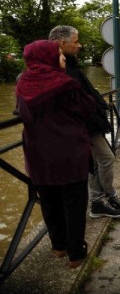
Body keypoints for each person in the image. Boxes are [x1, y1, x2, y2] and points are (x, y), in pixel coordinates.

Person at [16, 40, 96, 268]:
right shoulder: (65, 84)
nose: (63, 58)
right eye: (59, 54)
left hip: (38, 154)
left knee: (49, 201)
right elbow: (87, 107)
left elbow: (21, 112)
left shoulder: (22, 84)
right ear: (46, 57)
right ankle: (76, 254)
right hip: (69, 153)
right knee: (74, 203)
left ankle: (58, 246)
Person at [49, 25, 120, 217]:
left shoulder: (69, 64)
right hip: (84, 125)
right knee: (106, 158)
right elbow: (73, 100)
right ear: (63, 43)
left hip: (88, 123)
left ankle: (98, 202)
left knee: (96, 162)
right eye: (76, 41)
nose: (80, 45)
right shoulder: (62, 67)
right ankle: (105, 197)